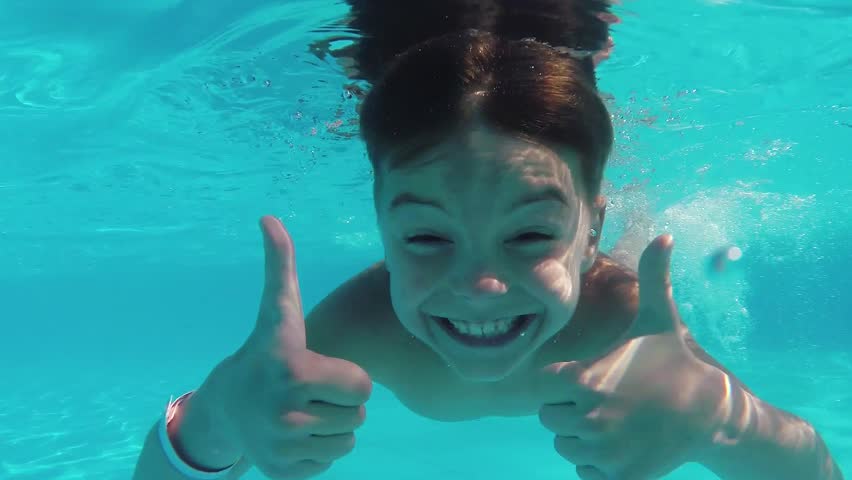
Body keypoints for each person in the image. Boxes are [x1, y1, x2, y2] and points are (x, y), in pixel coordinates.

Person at [132, 1, 844, 479]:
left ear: (590, 228)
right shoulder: (355, 328)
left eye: (531, 233)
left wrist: (719, 424)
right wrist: (218, 414)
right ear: (380, 227)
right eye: (425, 236)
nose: (479, 286)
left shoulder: (630, 333)